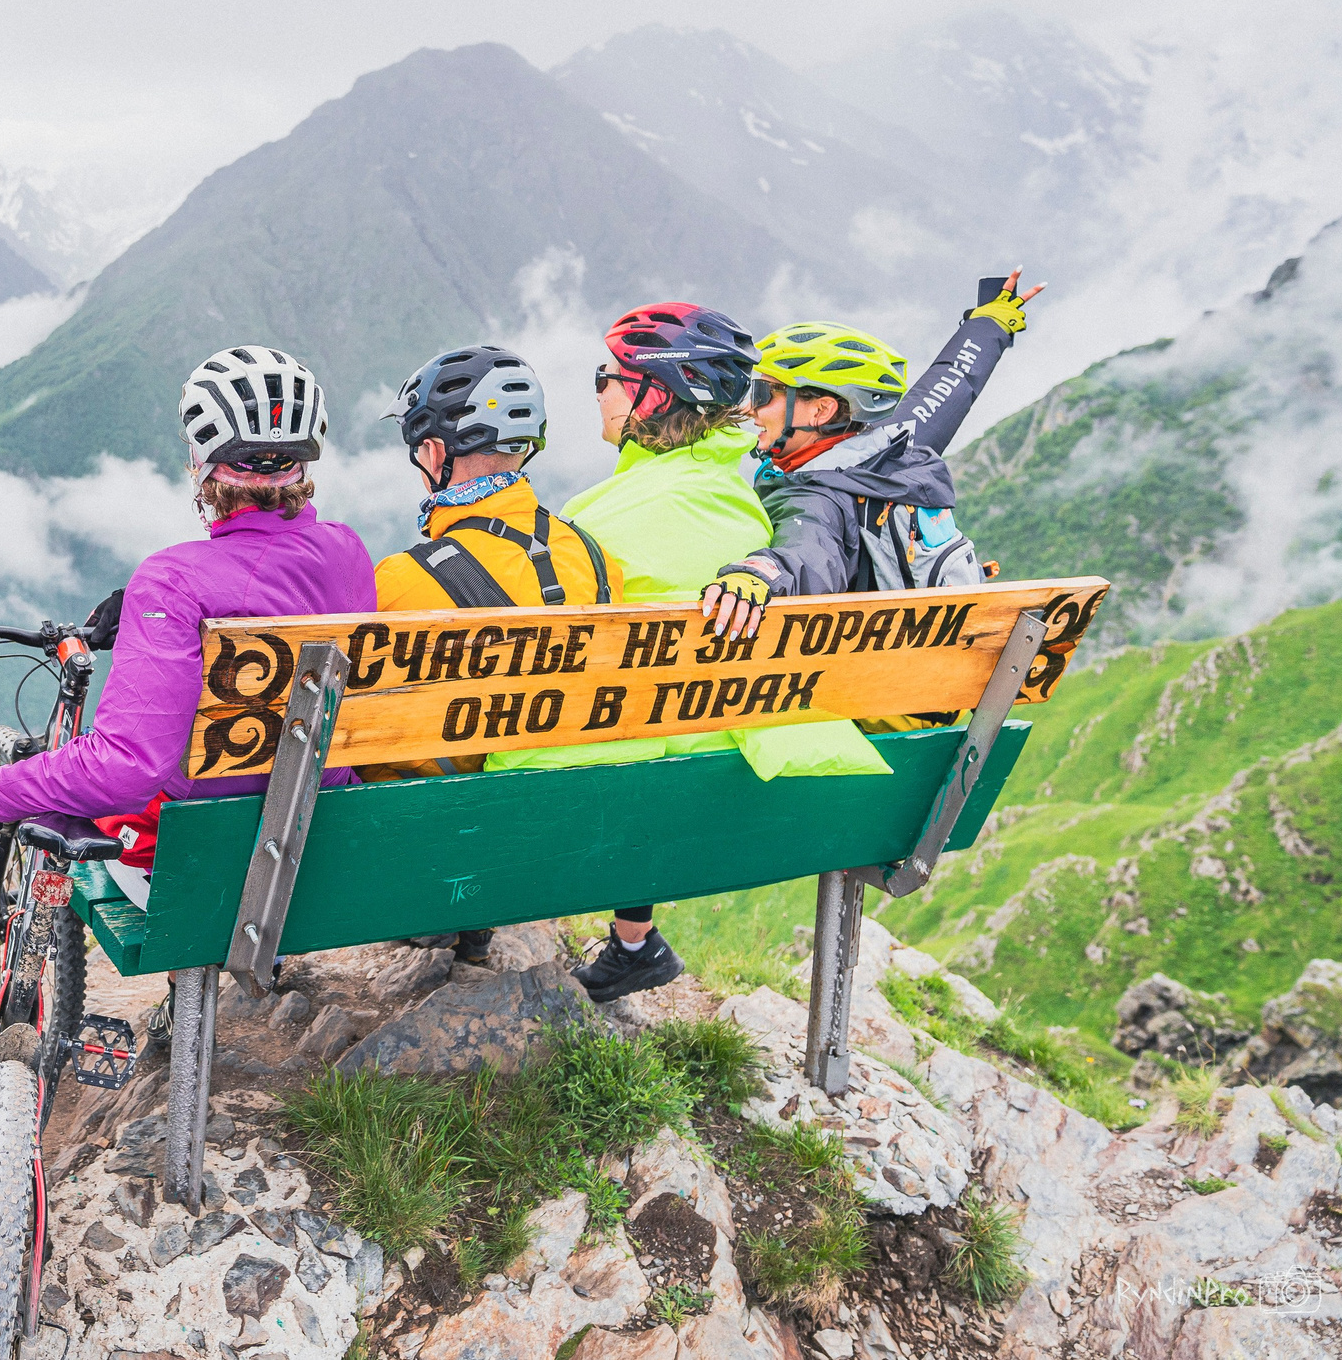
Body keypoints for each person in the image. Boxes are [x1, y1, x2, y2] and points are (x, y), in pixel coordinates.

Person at [482, 303, 884, 1005]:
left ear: (654, 394)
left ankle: (462, 925)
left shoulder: (598, 522)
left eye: (607, 377)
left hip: (597, 789)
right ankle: (635, 942)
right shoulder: (742, 500)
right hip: (714, 779)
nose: (599, 391)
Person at [0, 345, 375, 886]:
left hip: (209, 857)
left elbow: (126, 767)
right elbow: (270, 582)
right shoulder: (348, 550)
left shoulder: (172, 581)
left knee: (76, 810)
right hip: (328, 834)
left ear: (203, 460)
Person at [367, 344, 624, 964]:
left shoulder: (401, 581)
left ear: (433, 453)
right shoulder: (595, 555)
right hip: (570, 818)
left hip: (460, 826)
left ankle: (447, 902)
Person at [701, 273, 1045, 676]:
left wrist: (757, 576)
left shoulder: (816, 497)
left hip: (878, 705)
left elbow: (809, 555)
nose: (750, 410)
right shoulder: (894, 446)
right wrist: (990, 323)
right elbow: (952, 382)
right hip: (940, 682)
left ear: (821, 411)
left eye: (764, 394)